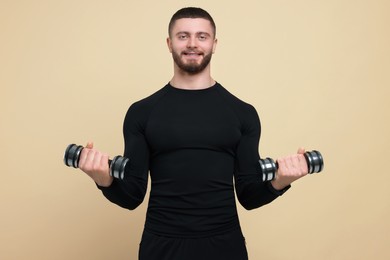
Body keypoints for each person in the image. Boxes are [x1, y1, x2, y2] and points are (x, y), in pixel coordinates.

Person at [78, 7, 309, 260]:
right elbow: (132, 195)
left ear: (214, 43)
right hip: (161, 245)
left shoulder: (243, 113)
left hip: (224, 245)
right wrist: (103, 179)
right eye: (183, 36)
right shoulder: (141, 112)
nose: (192, 44)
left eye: (202, 36)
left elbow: (249, 195)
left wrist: (281, 180)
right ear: (169, 43)